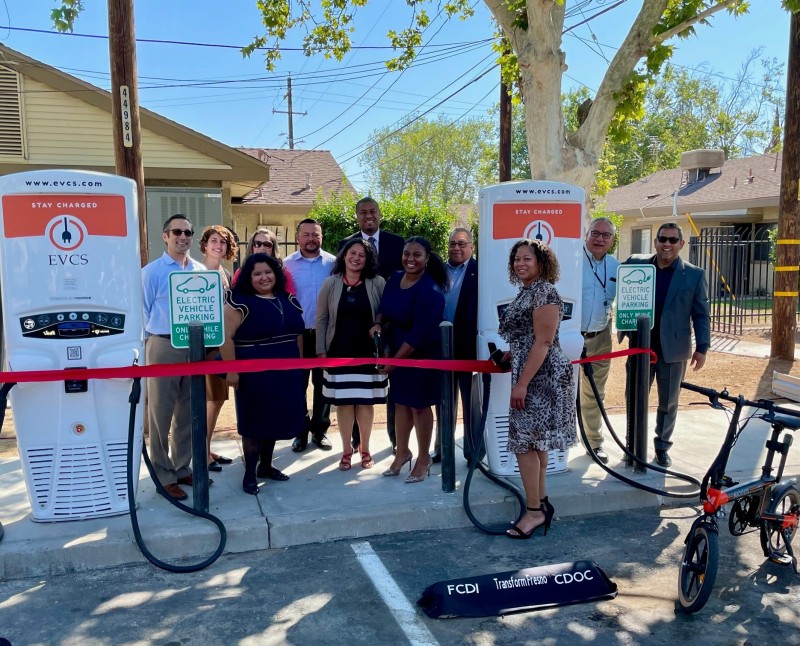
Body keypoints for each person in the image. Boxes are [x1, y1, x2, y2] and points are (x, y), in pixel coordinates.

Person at [498, 239, 577, 539]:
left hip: (540, 378)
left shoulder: (543, 291)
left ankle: (533, 513)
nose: (520, 263)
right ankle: (540, 504)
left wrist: (521, 384)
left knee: (525, 444)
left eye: (527, 259)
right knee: (534, 444)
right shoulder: (528, 292)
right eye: (517, 259)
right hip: (534, 371)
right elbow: (530, 337)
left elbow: (544, 341)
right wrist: (511, 354)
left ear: (541, 263)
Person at [621, 222, 710, 468]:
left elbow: (701, 314)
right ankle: (632, 446)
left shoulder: (694, 274)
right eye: (663, 239)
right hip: (640, 347)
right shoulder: (637, 268)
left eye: (673, 240)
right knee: (634, 398)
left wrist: (703, 346)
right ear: (655, 242)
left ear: (681, 244)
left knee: (668, 402)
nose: (667, 244)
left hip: (674, 349)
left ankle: (662, 447)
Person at [219, 253, 306, 495]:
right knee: (255, 423)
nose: (263, 277)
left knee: (276, 419)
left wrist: (298, 367)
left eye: (267, 272)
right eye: (257, 274)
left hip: (286, 371)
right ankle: (249, 474)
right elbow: (225, 338)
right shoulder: (239, 302)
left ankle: (266, 467)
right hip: (254, 373)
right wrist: (232, 370)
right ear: (248, 277)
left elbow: (297, 335)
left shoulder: (287, 299)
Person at [370, 236, 446, 484]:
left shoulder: (430, 290)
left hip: (421, 355)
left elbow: (419, 334)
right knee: (400, 403)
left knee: (419, 406)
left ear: (426, 258)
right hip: (397, 352)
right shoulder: (394, 278)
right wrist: (379, 323)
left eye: (416, 255)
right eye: (407, 254)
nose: (410, 259)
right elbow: (384, 306)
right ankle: (402, 453)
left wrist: (394, 362)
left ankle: (423, 459)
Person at [141, 214, 206, 501]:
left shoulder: (201, 270)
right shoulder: (152, 272)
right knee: (160, 415)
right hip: (163, 345)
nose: (183, 237)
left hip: (193, 347)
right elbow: (142, 312)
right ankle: (163, 474)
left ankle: (181, 467)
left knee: (188, 412)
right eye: (177, 231)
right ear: (165, 236)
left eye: (188, 232)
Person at [339, 197, 404, 453]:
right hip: (357, 328)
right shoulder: (346, 244)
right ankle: (356, 441)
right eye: (363, 212)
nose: (368, 216)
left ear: (380, 214)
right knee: (356, 387)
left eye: (373, 212)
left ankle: (395, 437)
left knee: (392, 386)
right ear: (356, 216)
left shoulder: (397, 243)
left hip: (392, 323)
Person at [316, 239, 388, 470]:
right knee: (344, 404)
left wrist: (379, 328)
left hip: (368, 354)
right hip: (339, 352)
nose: (356, 258)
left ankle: (365, 449)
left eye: (362, 255)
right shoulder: (331, 283)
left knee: (365, 404)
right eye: (352, 253)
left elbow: (385, 315)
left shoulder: (377, 282)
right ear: (344, 255)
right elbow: (322, 319)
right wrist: (321, 351)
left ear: (368, 260)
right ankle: (346, 450)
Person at [283, 218, 336, 453]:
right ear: (297, 238)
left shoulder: (333, 263)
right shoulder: (286, 265)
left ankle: (320, 430)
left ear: (321, 237)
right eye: (306, 234)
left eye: (315, 234)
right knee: (297, 384)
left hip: (325, 333)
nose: (311, 239)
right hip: (297, 335)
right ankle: (300, 432)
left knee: (323, 383)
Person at [430, 227, 478, 464]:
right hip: (441, 347)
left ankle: (472, 451)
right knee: (443, 402)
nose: (456, 248)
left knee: (471, 403)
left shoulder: (480, 272)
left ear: (471, 247)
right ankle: (443, 448)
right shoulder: (436, 271)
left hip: (469, 347)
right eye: (452, 244)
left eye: (461, 244)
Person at [579, 217, 619, 465]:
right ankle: (558, 444)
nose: (600, 239)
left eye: (606, 235)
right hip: (570, 336)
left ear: (613, 240)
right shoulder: (572, 261)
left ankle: (593, 443)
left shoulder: (616, 266)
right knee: (561, 392)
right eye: (595, 233)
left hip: (602, 336)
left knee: (595, 392)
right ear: (587, 234)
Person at [199, 225, 237, 473]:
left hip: (220, 343)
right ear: (204, 244)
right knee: (210, 400)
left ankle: (206, 447)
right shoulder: (195, 272)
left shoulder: (225, 274)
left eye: (223, 242)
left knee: (218, 400)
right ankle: (201, 452)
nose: (218, 245)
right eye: (214, 241)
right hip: (202, 346)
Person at [232, 228, 296, 295]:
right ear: (252, 247)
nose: (262, 247)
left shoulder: (284, 274)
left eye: (267, 244)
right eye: (257, 244)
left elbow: (290, 300)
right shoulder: (240, 272)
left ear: (273, 249)